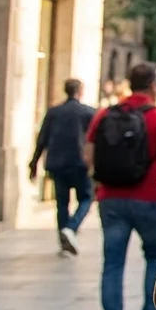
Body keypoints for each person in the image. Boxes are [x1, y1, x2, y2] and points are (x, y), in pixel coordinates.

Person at [84, 63, 156, 310]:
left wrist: (99, 187)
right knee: (154, 256)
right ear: (152, 85)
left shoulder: (104, 114)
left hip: (111, 199)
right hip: (149, 198)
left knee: (112, 263)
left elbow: (88, 156)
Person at [30, 79, 96, 255]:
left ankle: (64, 239)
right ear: (80, 91)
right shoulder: (88, 112)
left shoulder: (54, 112)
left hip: (57, 163)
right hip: (80, 163)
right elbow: (96, 140)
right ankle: (71, 228)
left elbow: (42, 139)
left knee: (62, 203)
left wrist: (34, 163)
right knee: (86, 198)